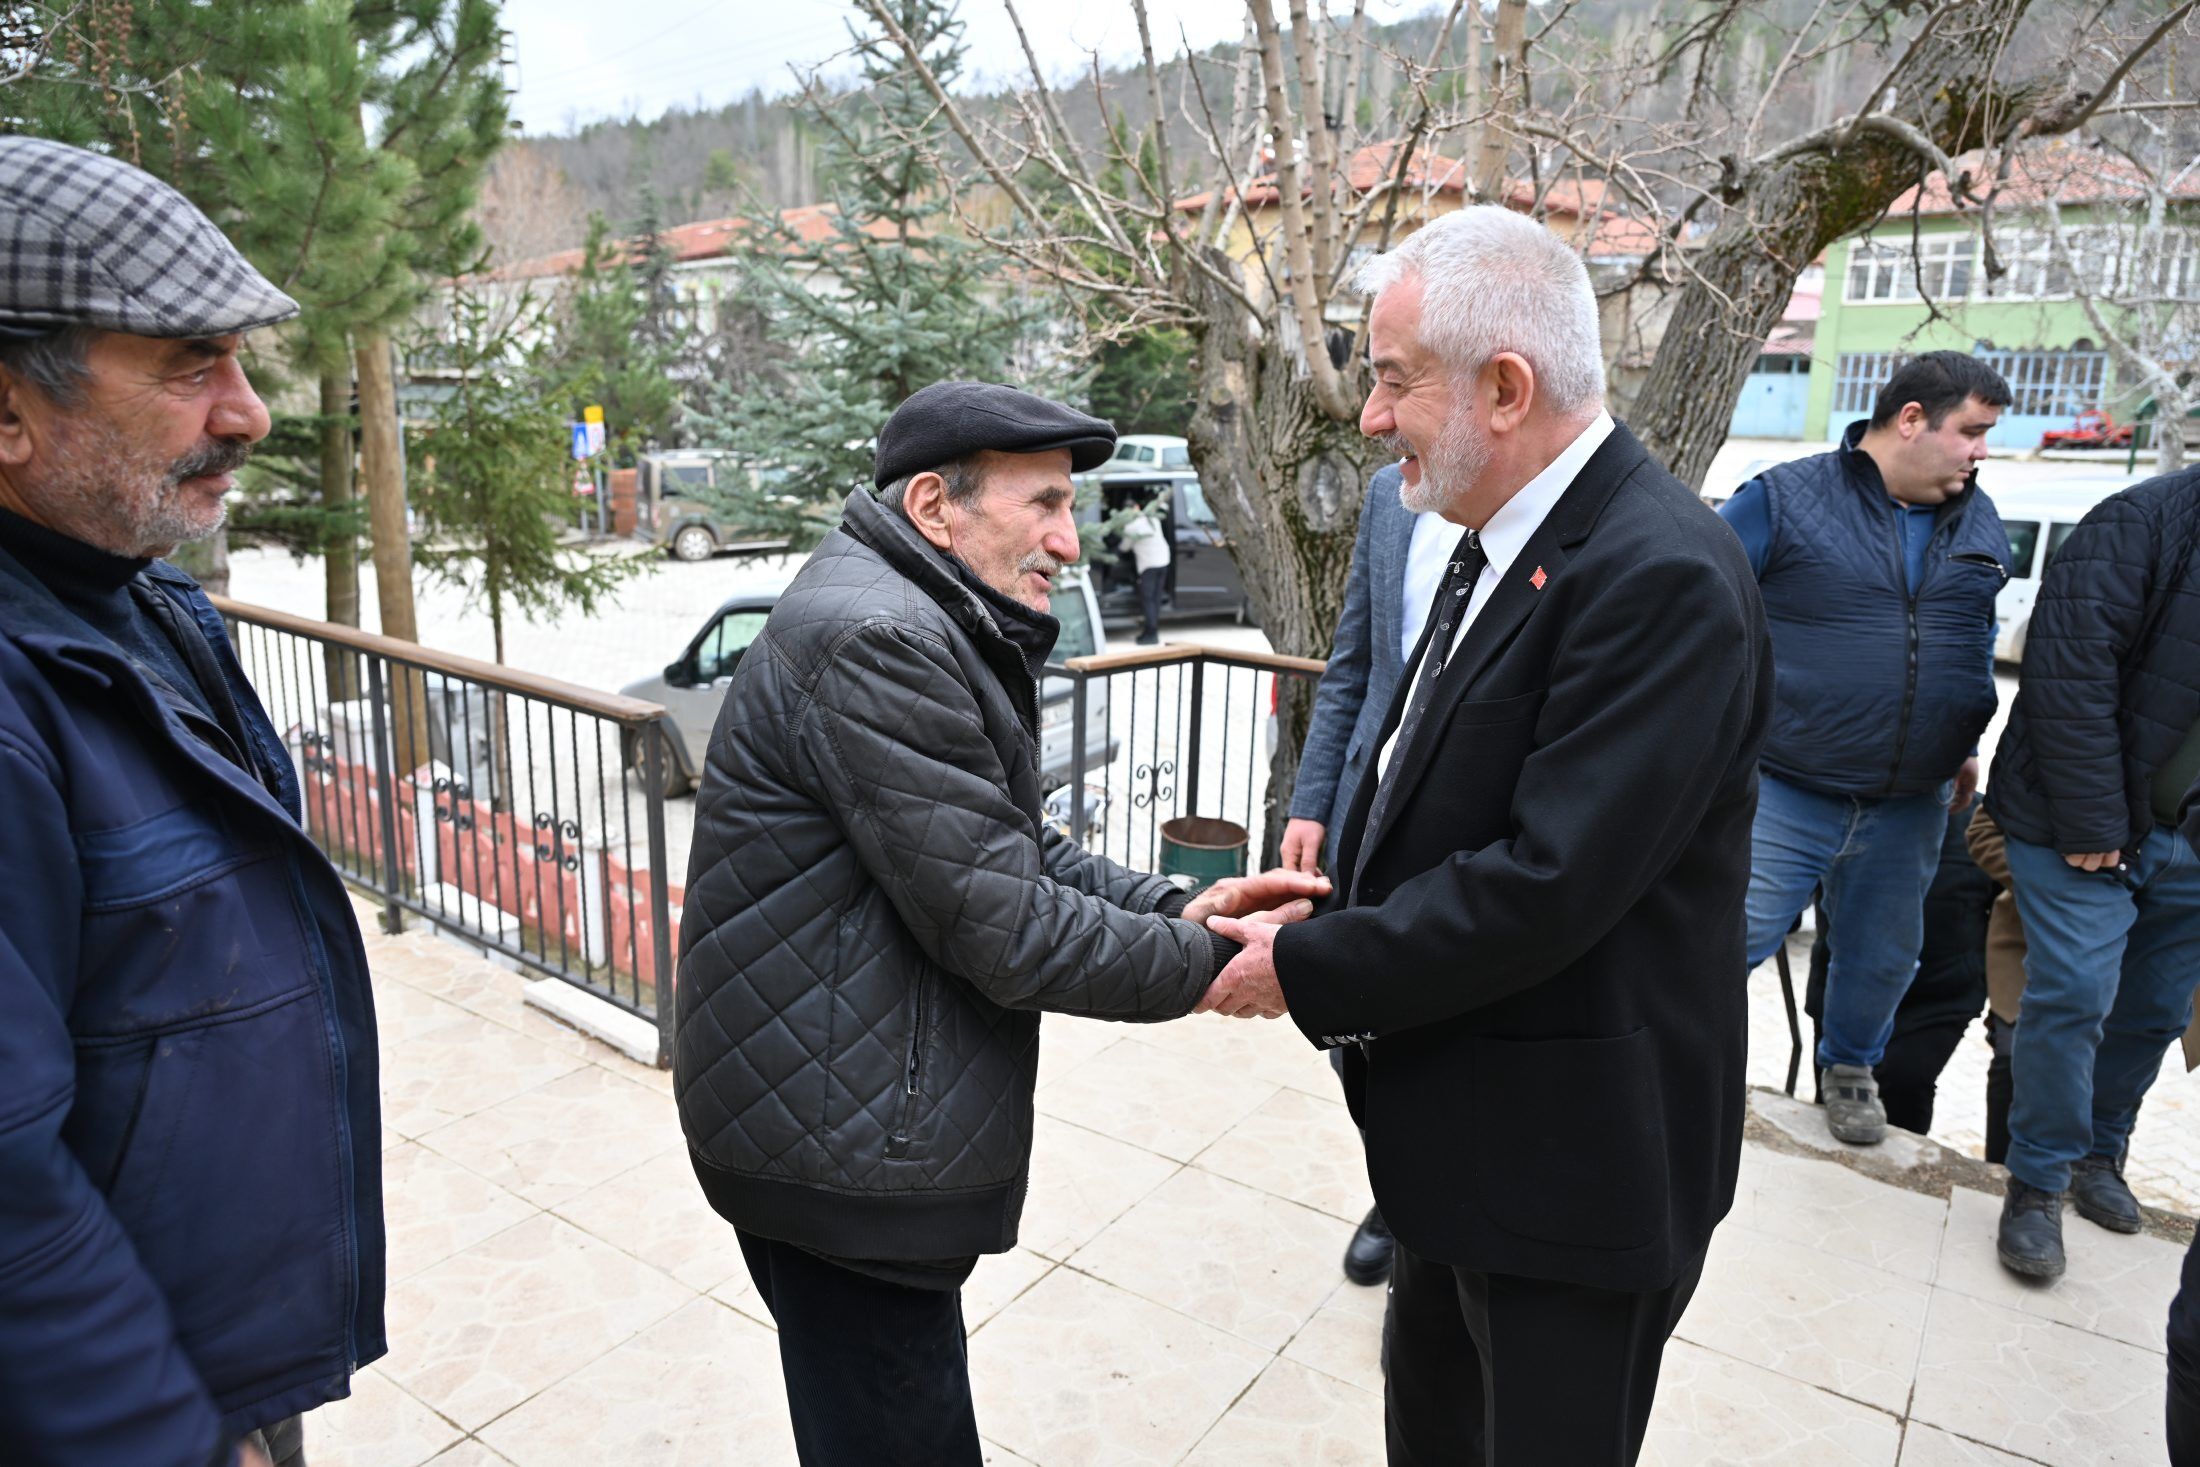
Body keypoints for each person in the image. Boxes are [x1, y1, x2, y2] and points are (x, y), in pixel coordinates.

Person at [1201, 205, 1773, 1465]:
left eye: (1392, 378)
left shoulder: (1659, 575)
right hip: (1460, 1145)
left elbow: (1545, 884)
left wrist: (1304, 969)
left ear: (1504, 389)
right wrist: (1328, 906)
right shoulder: (1493, 541)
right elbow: (1436, 787)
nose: (1368, 415)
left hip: (1572, 1175)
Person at [673, 380, 1328, 1466]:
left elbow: (1003, 845)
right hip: (842, 1154)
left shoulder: (908, 609)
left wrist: (1180, 906)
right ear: (935, 506)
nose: (1069, 542)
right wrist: (1210, 965)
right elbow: (1005, 923)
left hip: (834, 1124)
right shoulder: (879, 636)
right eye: (1045, 505)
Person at [0, 138, 384, 1466]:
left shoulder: (139, 598)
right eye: (188, 364)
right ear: (7, 410)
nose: (249, 411)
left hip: (208, 1359)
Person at [1717, 351, 2013, 1146]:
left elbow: (1972, 637)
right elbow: (1694, 607)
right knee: (1723, 940)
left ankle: (1849, 1067)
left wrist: (1963, 742)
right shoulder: (1783, 498)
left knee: (1884, 957)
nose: (1982, 450)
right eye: (1972, 431)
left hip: (1913, 798)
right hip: (1784, 785)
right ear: (1911, 419)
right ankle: (1663, 1052)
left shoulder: (1978, 519)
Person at [1985, 465, 2200, 1281]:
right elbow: (2068, 674)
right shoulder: (2140, 521)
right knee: (2075, 993)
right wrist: (2094, 823)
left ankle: (2100, 1154)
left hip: (2191, 844)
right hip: (2079, 823)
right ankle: (2037, 1180)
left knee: (2156, 1010)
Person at [1279, 460, 1441, 1286]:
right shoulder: (1389, 494)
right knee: (1354, 1035)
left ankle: (1426, 1213)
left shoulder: (1534, 505)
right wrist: (1313, 802)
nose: (1378, 415)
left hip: (1456, 831)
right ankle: (1397, 1186)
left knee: (1434, 1030)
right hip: (1361, 816)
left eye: (1401, 394)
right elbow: (1354, 662)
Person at [1802, 803, 1999, 1135]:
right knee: (1839, 1096)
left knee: (1905, 1086)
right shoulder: (1851, 809)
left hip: (1936, 998)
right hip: (1846, 991)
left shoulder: (1979, 821)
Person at [1119, 487, 1171, 644]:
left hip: (1149, 566)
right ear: (1137, 507)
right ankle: (1151, 630)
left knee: (1148, 600)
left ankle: (1151, 634)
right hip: (1164, 561)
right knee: (1155, 599)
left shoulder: (1131, 527)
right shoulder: (1152, 519)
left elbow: (1124, 548)